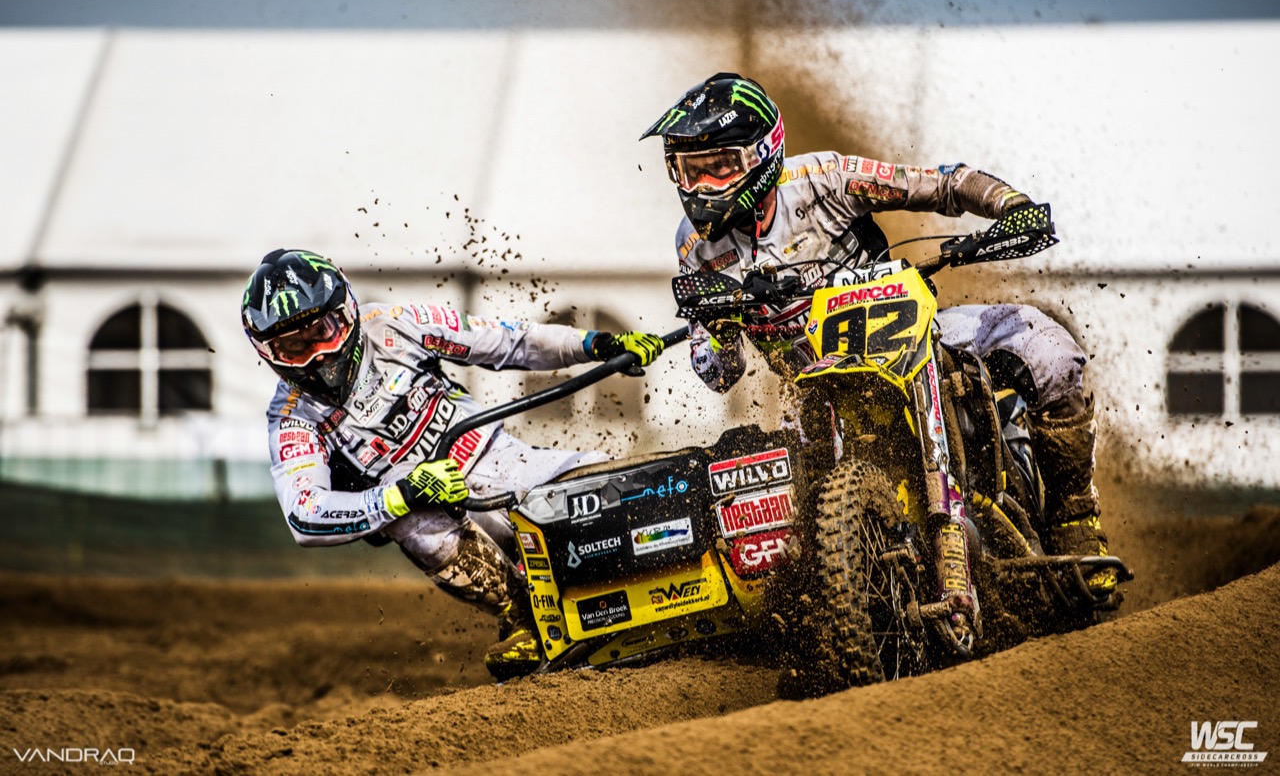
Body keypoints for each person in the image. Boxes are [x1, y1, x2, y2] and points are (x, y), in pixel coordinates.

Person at [641, 72, 1114, 594]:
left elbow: (943, 183)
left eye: (718, 167)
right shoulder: (694, 247)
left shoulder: (823, 178)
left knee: (1046, 348)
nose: (701, 186)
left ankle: (1075, 518)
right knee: (786, 533)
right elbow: (718, 373)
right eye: (690, 170)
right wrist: (718, 329)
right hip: (814, 392)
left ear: (762, 154)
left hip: (910, 338)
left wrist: (1009, 205)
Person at [241, 249, 665, 674]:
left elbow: (504, 339)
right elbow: (304, 514)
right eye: (293, 346)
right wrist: (402, 494)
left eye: (322, 331)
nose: (316, 354)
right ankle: (525, 620)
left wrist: (594, 344)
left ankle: (667, 575)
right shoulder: (291, 417)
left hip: (499, 458)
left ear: (346, 312)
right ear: (268, 351)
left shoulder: (393, 324)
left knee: (605, 482)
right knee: (408, 519)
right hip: (440, 515)